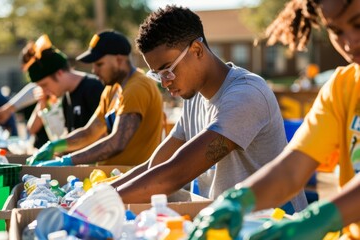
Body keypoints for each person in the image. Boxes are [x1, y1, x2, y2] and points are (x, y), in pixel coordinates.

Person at [108, 5, 307, 214]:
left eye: (168, 70)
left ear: (197, 50)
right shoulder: (194, 96)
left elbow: (175, 173)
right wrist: (101, 192)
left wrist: (104, 203)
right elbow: (156, 164)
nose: (165, 83)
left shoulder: (247, 94)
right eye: (158, 75)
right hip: (227, 221)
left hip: (274, 223)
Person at [187, 0, 360, 239]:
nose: (350, 42)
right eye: (336, 32)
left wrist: (318, 219)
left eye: (358, 24)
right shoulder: (343, 87)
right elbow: (292, 168)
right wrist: (239, 200)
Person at [26, 30, 164, 166]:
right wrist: (55, 146)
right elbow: (90, 132)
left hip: (134, 180)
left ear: (119, 60)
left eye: (99, 64)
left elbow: (117, 142)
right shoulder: (112, 89)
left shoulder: (137, 87)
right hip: (111, 177)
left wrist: (67, 161)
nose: (94, 71)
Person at [20, 35, 104, 147]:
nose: (44, 91)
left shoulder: (94, 88)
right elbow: (67, 135)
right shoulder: (65, 96)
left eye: (44, 85)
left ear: (59, 73)